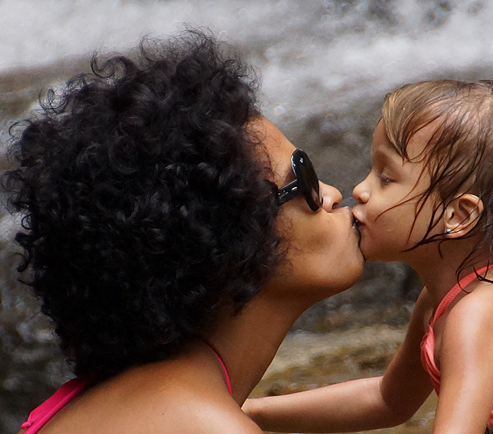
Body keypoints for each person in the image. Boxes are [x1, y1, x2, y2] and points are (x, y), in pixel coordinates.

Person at [2, 30, 364, 434]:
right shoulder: (205, 424)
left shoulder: (109, 403)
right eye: (303, 175)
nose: (332, 194)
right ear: (233, 242)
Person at [243, 80, 493, 434]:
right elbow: (388, 400)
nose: (360, 190)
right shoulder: (444, 301)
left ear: (458, 215)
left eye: (386, 178)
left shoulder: (478, 316)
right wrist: (250, 412)